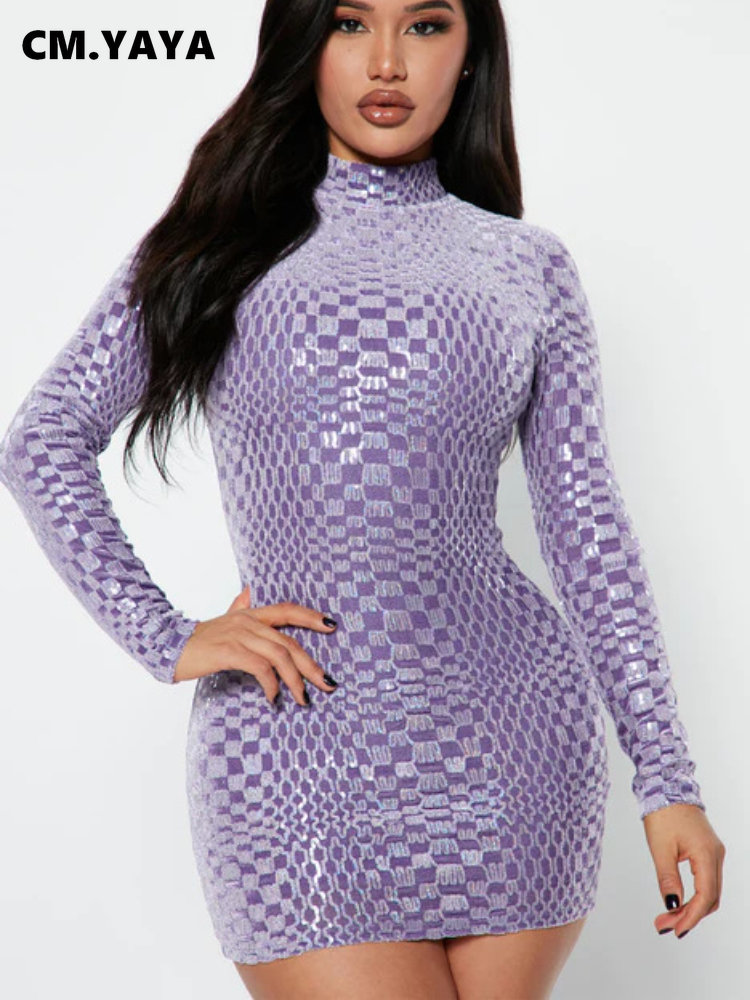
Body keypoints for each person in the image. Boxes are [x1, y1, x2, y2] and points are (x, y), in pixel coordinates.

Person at [0, 1, 725, 998]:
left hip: (515, 744)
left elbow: (587, 531)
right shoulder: (220, 243)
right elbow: (41, 439)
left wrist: (668, 780)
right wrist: (165, 635)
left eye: (425, 25)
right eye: (350, 22)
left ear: (471, 53)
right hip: (293, 747)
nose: (387, 61)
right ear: (303, 42)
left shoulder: (526, 267)